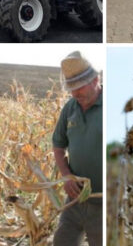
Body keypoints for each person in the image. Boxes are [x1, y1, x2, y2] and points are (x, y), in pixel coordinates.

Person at [52, 51, 102, 246]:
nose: (74, 94)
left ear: (95, 80)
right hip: (75, 201)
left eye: (79, 88)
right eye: (71, 89)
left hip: (102, 204)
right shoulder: (70, 107)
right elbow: (58, 145)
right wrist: (66, 175)